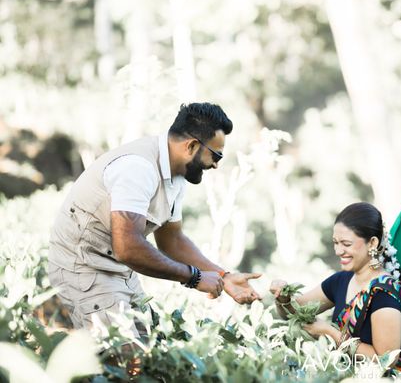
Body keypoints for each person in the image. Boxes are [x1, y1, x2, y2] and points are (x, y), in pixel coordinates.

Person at [48, 102, 261, 336]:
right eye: (216, 154)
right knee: (125, 357)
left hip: (118, 269)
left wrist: (224, 276)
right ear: (191, 146)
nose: (216, 164)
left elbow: (172, 240)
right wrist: (194, 277)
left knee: (150, 345)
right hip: (83, 268)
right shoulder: (138, 168)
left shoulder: (177, 173)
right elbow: (127, 248)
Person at [270, 202, 401, 373]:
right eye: (335, 242)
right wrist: (283, 296)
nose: (338, 250)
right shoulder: (341, 280)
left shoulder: (384, 294)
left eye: (346, 243)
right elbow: (294, 312)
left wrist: (331, 334)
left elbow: (385, 361)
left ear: (372, 243)